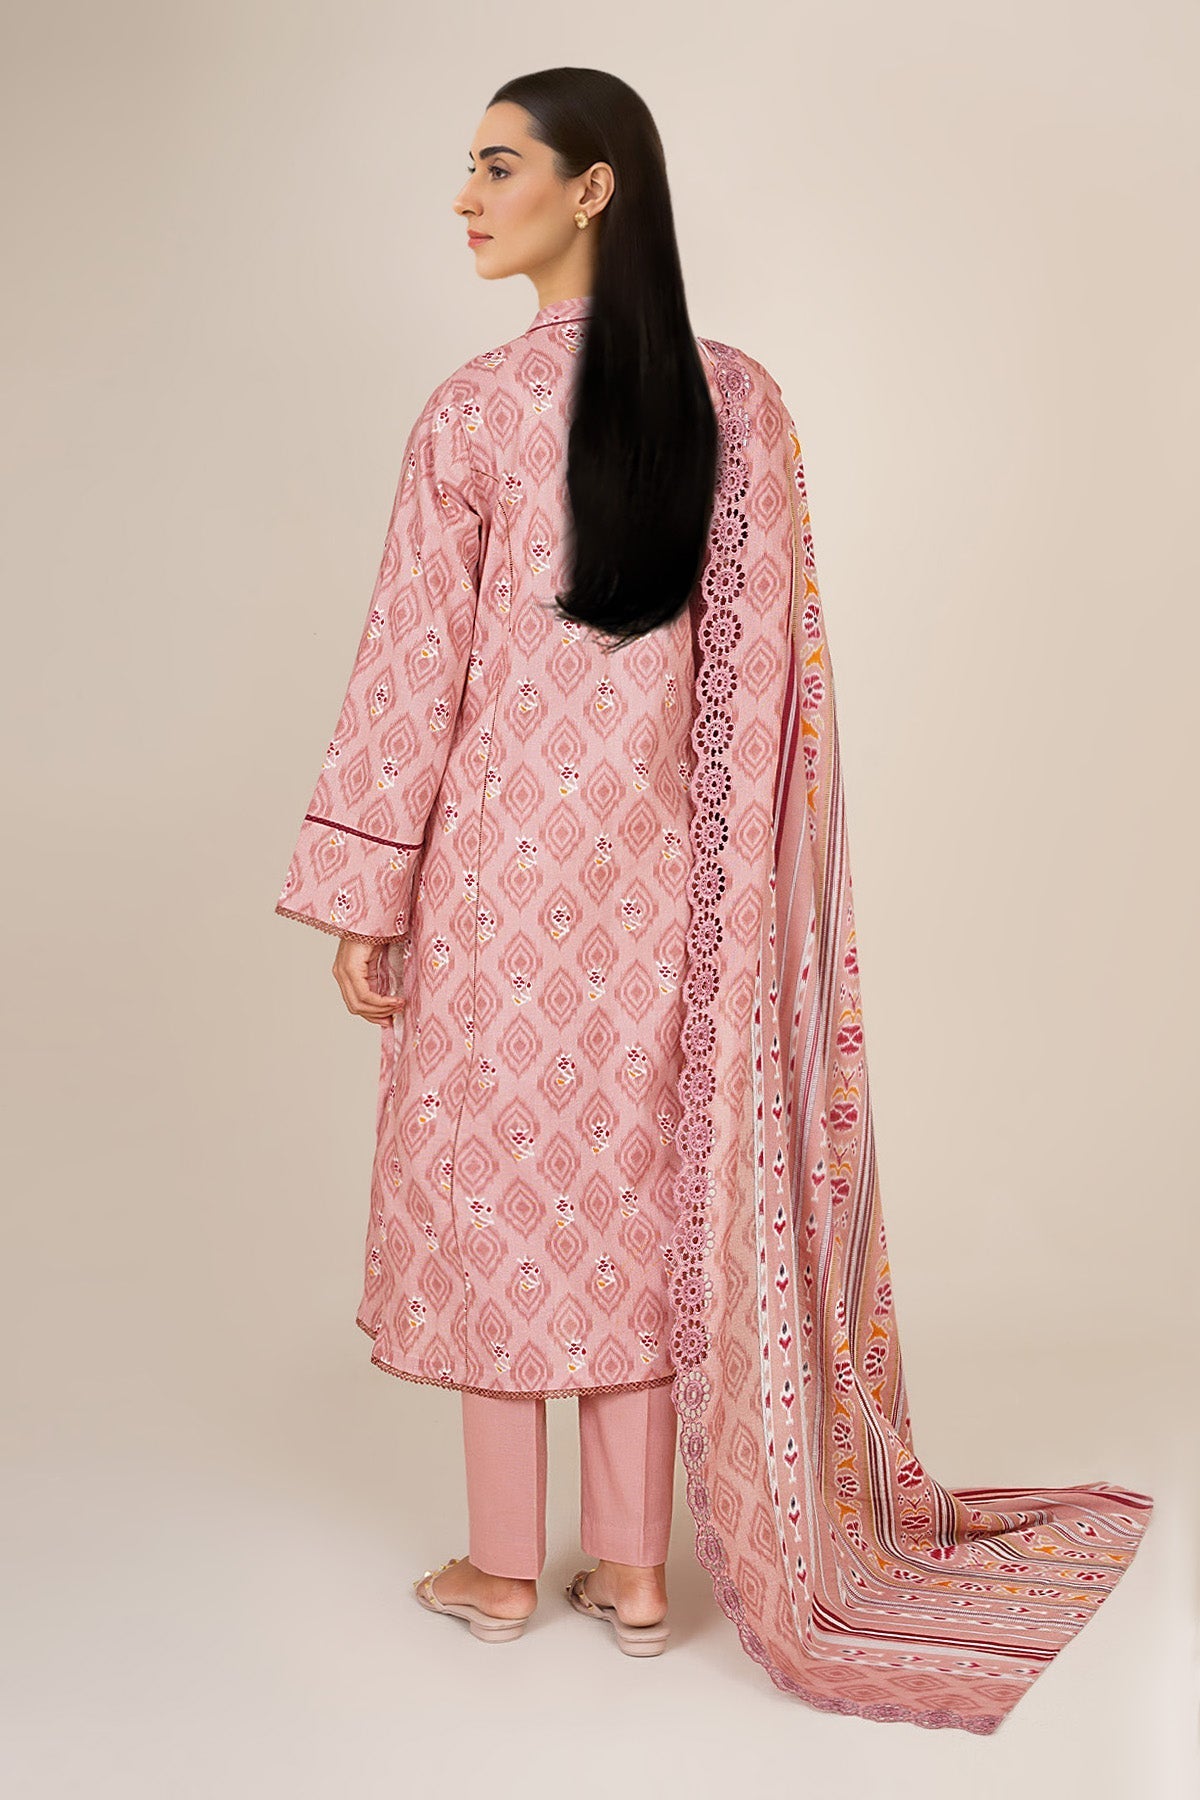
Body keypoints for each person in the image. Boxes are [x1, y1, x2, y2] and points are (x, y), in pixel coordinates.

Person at [274, 68, 1154, 1725]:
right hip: (673, 893)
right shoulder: (737, 402)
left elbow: (412, 675)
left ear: (593, 187)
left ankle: (499, 1570)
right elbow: (770, 687)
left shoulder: (472, 415)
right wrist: (741, 902)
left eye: (498, 167)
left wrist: (366, 894)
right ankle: (631, 1572)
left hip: (494, 889)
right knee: (630, 1200)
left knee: (493, 1200)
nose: (466, 197)